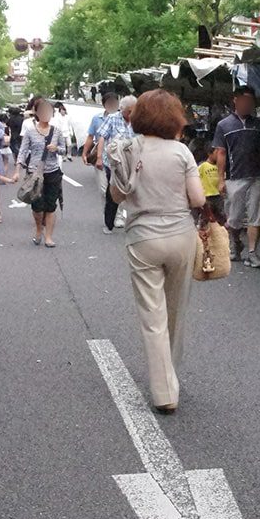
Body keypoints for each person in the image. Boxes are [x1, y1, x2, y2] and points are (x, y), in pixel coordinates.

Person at [108, 90, 205, 413]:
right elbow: (198, 199)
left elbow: (117, 197)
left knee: (153, 316)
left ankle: (165, 392)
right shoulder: (182, 152)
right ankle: (170, 373)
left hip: (142, 237)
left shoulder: (128, 149)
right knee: (176, 311)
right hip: (181, 235)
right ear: (175, 118)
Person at [212, 85, 260, 269]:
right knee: (234, 218)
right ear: (235, 100)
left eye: (251, 102)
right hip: (234, 177)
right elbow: (220, 153)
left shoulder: (259, 125)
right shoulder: (224, 125)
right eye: (245, 101)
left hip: (256, 176)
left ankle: (252, 253)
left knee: (256, 216)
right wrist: (221, 179)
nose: (248, 105)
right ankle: (235, 242)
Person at [15, 98, 67, 247]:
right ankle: (39, 229)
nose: (46, 114)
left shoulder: (56, 131)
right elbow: (23, 151)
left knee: (51, 205)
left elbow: (64, 150)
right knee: (37, 206)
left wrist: (56, 149)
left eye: (49, 111)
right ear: (36, 112)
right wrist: (17, 170)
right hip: (35, 174)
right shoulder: (30, 131)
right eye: (42, 111)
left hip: (53, 172)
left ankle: (49, 237)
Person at [97, 94, 137, 234]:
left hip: (132, 162)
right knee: (112, 191)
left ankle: (132, 223)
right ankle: (109, 223)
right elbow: (102, 137)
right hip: (113, 163)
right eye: (129, 111)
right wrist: (99, 157)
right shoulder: (112, 118)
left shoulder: (137, 121)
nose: (131, 114)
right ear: (122, 109)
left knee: (133, 192)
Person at [83, 92, 118, 196]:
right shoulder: (97, 118)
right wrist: (85, 153)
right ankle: (107, 212)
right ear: (104, 105)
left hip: (118, 157)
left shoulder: (122, 118)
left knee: (117, 189)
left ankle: (118, 212)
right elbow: (90, 136)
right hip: (101, 155)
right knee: (103, 189)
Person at [191, 140, 224, 225]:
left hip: (218, 195)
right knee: (205, 216)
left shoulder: (220, 166)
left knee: (221, 215)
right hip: (207, 196)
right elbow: (195, 178)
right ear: (210, 153)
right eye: (217, 153)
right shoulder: (202, 166)